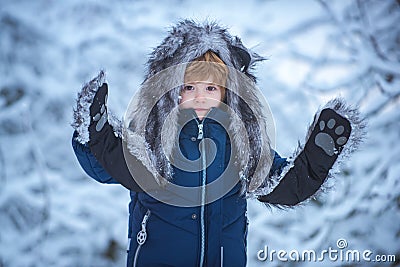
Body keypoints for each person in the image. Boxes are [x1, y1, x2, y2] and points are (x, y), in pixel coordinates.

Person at [71, 20, 364, 267]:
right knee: (115, 153)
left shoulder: (242, 143)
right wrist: (93, 137)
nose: (200, 96)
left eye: (210, 87)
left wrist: (315, 159)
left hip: (224, 260)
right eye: (189, 87)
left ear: (227, 92)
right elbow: (110, 167)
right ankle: (95, 130)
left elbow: (279, 184)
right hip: (159, 257)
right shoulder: (154, 137)